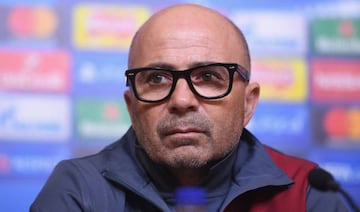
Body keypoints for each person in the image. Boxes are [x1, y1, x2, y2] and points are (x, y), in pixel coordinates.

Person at [31, 4, 349, 211]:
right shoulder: (79, 191)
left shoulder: (309, 193)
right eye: (156, 78)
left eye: (209, 76)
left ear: (248, 103)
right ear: (131, 104)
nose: (182, 100)